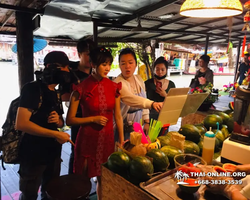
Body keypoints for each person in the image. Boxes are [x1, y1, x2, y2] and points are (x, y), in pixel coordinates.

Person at [66, 47, 124, 200]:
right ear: (92, 64)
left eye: (109, 64)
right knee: (83, 181)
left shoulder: (114, 87)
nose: (107, 68)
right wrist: (92, 119)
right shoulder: (81, 88)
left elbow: (118, 116)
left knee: (104, 179)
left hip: (108, 139)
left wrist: (122, 139)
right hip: (88, 139)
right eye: (103, 64)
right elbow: (70, 120)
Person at [15, 51, 72, 200]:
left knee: (50, 192)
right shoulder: (32, 89)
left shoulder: (56, 92)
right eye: (64, 67)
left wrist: (58, 121)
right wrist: (55, 134)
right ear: (49, 66)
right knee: (29, 195)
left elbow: (61, 122)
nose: (67, 71)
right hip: (33, 155)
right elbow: (21, 123)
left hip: (52, 154)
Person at [60, 39, 96, 175]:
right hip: (78, 119)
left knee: (92, 154)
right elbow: (62, 96)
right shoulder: (70, 74)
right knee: (77, 153)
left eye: (92, 54)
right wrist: (78, 95)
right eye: (87, 54)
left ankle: (86, 184)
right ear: (79, 53)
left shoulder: (96, 73)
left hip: (94, 119)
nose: (90, 57)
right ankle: (73, 185)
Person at [114, 48, 162, 141]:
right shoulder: (118, 83)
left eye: (130, 62)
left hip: (138, 126)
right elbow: (130, 99)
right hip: (123, 127)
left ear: (136, 64)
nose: (127, 66)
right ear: (119, 65)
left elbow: (144, 98)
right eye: (123, 63)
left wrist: (147, 121)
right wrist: (152, 104)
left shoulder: (139, 79)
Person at [145, 56, 175, 121]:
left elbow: (174, 103)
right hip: (150, 116)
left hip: (165, 116)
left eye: (162, 69)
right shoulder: (147, 83)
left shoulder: (171, 84)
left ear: (166, 70)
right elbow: (143, 101)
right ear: (154, 70)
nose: (160, 72)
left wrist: (165, 95)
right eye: (157, 69)